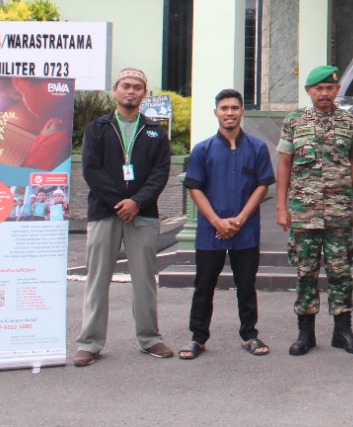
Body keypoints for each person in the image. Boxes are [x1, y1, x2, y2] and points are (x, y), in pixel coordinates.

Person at [73, 67, 173, 366]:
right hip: (106, 211)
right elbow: (91, 171)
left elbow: (160, 174)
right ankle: (89, 342)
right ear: (115, 90)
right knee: (97, 277)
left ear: (145, 93)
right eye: (126, 86)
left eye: (138, 87)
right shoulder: (98, 128)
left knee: (144, 278)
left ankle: (150, 338)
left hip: (143, 214)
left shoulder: (155, 131)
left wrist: (137, 202)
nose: (131, 91)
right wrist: (120, 202)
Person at [275, 65, 353, 357]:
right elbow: (284, 165)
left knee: (341, 272)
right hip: (304, 212)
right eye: (319, 89)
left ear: (337, 90)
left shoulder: (348, 121)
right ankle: (305, 334)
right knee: (306, 272)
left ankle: (343, 332)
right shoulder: (294, 121)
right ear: (308, 92)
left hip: (340, 211)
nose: (324, 93)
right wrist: (281, 207)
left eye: (330, 88)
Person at [179, 88, 276, 360]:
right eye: (224, 108)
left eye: (234, 108)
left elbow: (262, 186)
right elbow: (195, 188)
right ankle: (197, 338)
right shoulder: (202, 150)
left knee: (246, 285)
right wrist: (216, 222)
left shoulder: (257, 148)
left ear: (242, 111)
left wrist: (240, 219)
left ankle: (249, 335)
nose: (229, 113)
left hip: (246, 231)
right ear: (216, 112)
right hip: (211, 231)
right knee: (204, 285)